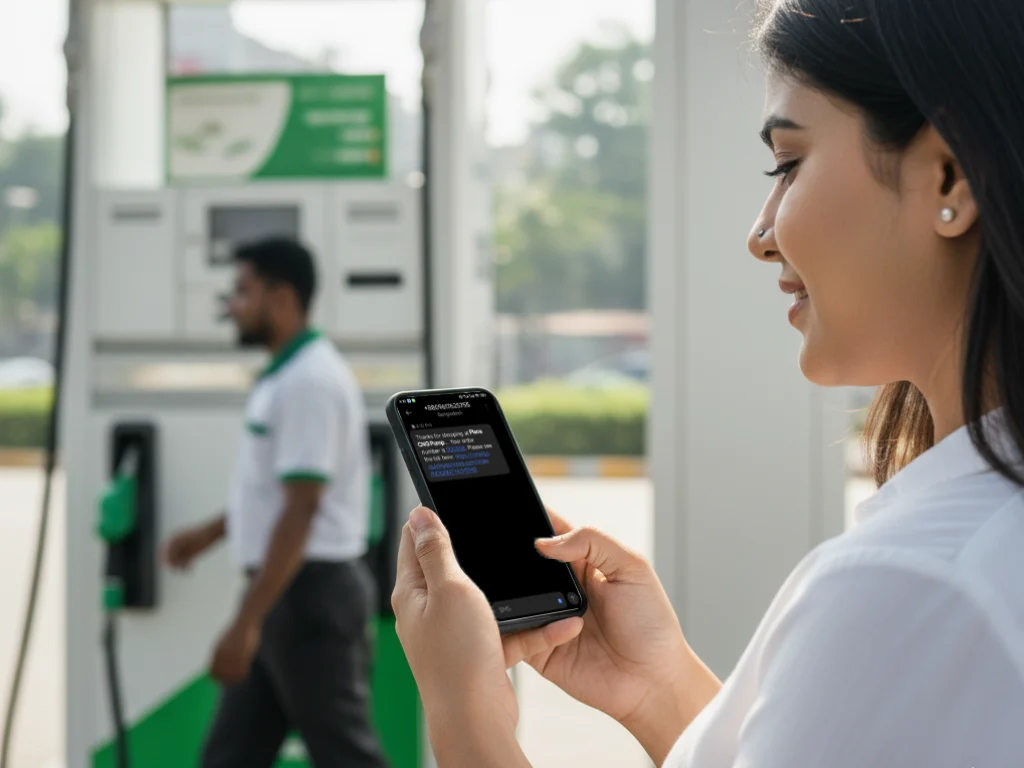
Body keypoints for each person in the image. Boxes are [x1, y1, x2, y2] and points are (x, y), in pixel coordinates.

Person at [389, 1, 1024, 766]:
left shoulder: (914, 583)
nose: (761, 234)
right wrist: (655, 688)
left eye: (788, 164)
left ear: (948, 174)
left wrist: (465, 718)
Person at [162, 237, 387, 768]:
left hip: (308, 596)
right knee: (231, 756)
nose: (230, 307)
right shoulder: (288, 375)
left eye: (242, 291)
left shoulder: (309, 382)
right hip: (288, 591)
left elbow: (302, 509)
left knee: (345, 754)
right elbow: (276, 494)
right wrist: (210, 534)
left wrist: (245, 623)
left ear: (281, 298)